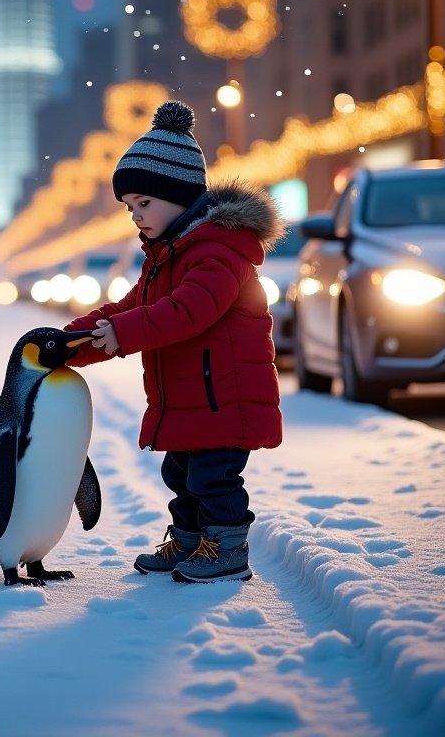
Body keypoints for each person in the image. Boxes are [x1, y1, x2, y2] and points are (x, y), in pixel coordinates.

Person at [65, 99, 284, 583]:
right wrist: (67, 344)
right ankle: (189, 542)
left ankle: (226, 549)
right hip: (191, 402)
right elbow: (129, 306)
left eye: (145, 203)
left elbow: (188, 313)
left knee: (213, 480)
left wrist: (124, 335)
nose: (135, 216)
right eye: (129, 207)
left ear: (182, 196)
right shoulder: (167, 255)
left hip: (223, 400)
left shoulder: (218, 253)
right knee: (181, 478)